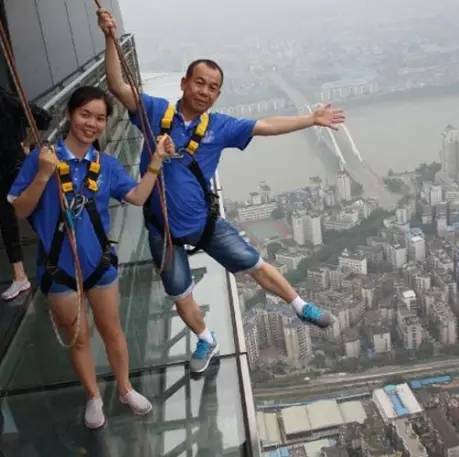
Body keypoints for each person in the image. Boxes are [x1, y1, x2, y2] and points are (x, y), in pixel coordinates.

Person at [98, 10, 346, 374]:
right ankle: (205, 339)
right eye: (200, 83)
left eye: (213, 88)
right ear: (184, 83)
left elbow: (266, 126)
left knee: (254, 264)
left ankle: (299, 305)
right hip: (162, 228)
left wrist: (311, 119)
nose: (205, 92)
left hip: (204, 223)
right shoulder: (154, 112)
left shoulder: (220, 126)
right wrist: (109, 37)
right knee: (180, 293)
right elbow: (118, 85)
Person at [8, 86, 173, 429]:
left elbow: (137, 197)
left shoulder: (106, 165)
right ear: (70, 114)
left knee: (112, 330)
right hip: (60, 268)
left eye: (100, 118)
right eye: (85, 115)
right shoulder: (43, 157)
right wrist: (41, 174)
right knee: (78, 336)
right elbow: (20, 210)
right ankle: (94, 396)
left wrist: (155, 163)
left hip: (99, 264)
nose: (92, 123)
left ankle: (125, 389)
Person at [0, 87, 51, 300]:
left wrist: (27, 143)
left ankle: (63, 258)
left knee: (35, 215)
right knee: (6, 223)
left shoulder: (6, 99)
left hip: (16, 169)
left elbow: (44, 118)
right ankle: (20, 277)